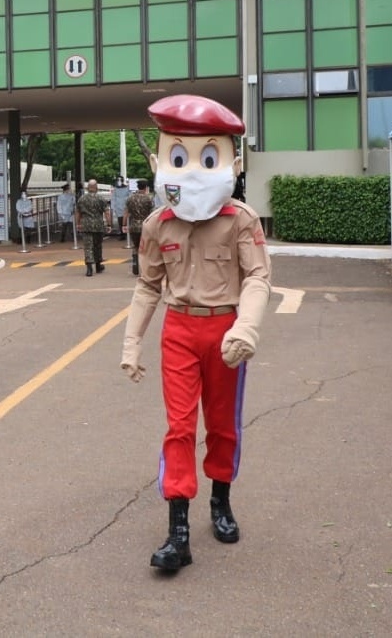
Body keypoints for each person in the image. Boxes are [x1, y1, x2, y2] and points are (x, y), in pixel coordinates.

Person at [120, 94, 271, 573]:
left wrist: (246, 327)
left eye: (206, 156)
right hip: (179, 332)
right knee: (180, 429)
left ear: (230, 160)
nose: (189, 171)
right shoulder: (156, 225)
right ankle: (178, 532)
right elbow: (147, 286)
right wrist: (131, 344)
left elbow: (258, 279)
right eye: (178, 156)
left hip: (225, 334)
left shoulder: (239, 220)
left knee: (223, 426)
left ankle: (220, 501)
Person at [75, 179, 110, 276]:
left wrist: (78, 224)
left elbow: (78, 212)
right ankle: (98, 265)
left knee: (88, 247)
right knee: (97, 246)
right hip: (98, 225)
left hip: (86, 225)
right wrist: (109, 224)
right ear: (96, 188)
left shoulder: (82, 199)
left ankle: (89, 268)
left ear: (87, 188)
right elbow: (107, 212)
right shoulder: (101, 199)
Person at [123, 178, 154, 275]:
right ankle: (144, 267)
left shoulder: (130, 198)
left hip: (134, 226)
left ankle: (135, 265)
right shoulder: (149, 198)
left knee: (135, 246)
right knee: (145, 247)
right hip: (145, 226)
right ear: (146, 187)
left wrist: (124, 224)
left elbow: (126, 213)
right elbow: (152, 214)